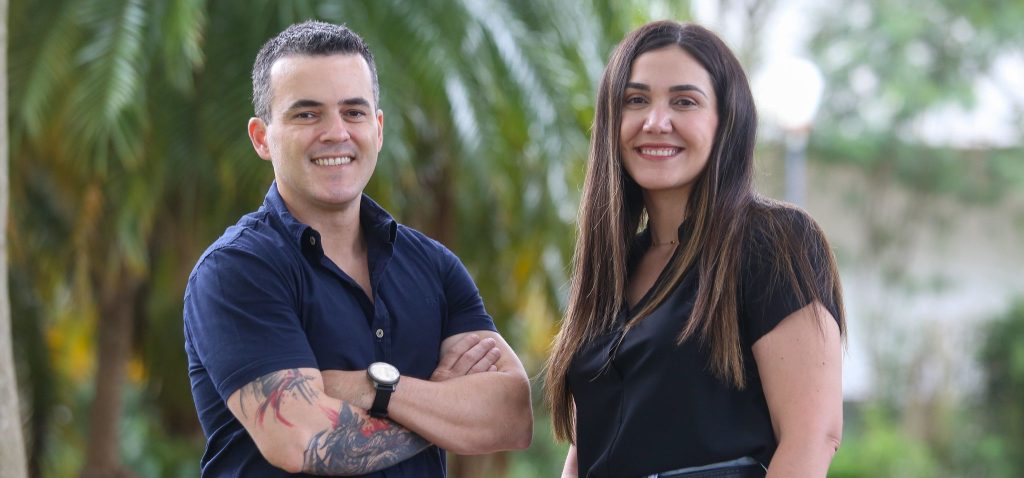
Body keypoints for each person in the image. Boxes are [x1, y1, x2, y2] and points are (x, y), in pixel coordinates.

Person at [183, 20, 532, 477]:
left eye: (354, 112)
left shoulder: (434, 266)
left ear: (379, 127)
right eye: (307, 114)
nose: (335, 133)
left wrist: (374, 389)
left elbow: (511, 417)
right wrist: (445, 409)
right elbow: (303, 441)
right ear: (261, 138)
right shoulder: (235, 271)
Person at [544, 21, 846, 478]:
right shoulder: (613, 270)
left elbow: (812, 436)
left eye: (684, 101)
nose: (656, 122)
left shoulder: (773, 243)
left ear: (726, 120)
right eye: (636, 100)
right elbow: (592, 448)